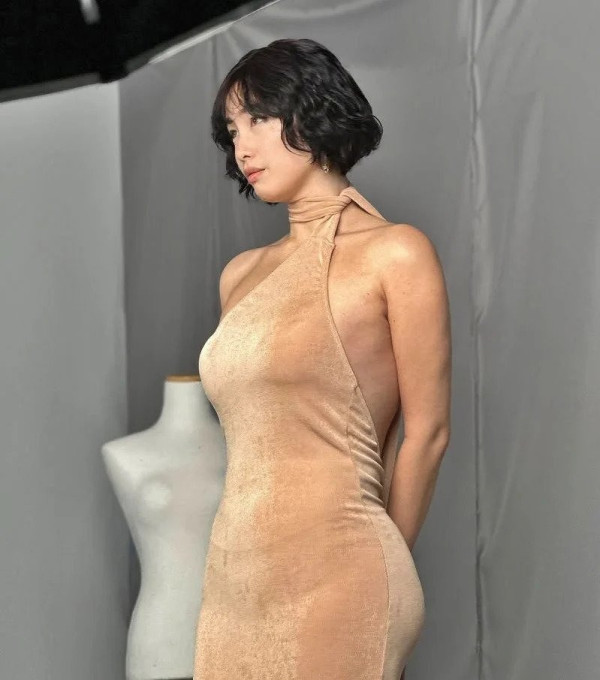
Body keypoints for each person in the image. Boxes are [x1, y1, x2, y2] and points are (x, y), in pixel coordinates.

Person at [194, 38, 451, 680]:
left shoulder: (397, 253)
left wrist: (382, 563)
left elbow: (427, 433)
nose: (242, 147)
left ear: (311, 110)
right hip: (233, 583)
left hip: (343, 576)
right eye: (232, 130)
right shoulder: (239, 275)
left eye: (258, 118)